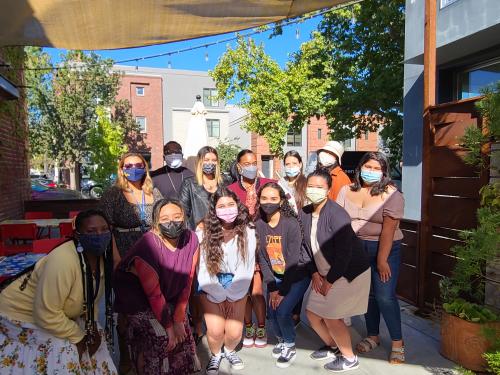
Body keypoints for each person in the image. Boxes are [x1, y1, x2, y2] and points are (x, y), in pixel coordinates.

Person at [0, 210, 117, 374]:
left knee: (97, 338)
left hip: (56, 312)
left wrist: (93, 327)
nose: (99, 235)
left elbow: (92, 299)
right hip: (19, 313)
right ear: (77, 235)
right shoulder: (62, 261)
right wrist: (79, 336)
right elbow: (46, 314)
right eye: (91, 231)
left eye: (104, 229)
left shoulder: (101, 259)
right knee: (64, 348)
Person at [113, 199, 200, 374]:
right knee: (162, 338)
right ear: (156, 222)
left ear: (184, 217)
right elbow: (153, 294)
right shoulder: (148, 245)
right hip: (137, 299)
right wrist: (169, 326)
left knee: (184, 335)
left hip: (169, 293)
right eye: (165, 218)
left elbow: (187, 281)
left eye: (177, 217)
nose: (172, 222)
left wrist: (178, 318)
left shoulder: (191, 238)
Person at [336, 152, 405, 364]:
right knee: (367, 295)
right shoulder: (346, 190)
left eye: (377, 168)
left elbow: (388, 230)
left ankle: (397, 343)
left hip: (385, 248)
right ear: (360, 168)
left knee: (384, 295)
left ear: (384, 172)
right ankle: (373, 335)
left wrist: (382, 260)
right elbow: (339, 223)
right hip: (356, 249)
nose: (371, 171)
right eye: (368, 166)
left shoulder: (392, 194)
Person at [300, 169, 371, 373]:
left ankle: (349, 359)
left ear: (329, 190)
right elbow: (304, 248)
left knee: (332, 316)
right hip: (323, 272)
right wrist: (314, 273)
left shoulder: (337, 214)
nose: (314, 190)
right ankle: (334, 346)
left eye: (319, 187)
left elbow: (344, 254)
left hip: (347, 272)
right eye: (310, 186)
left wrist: (329, 280)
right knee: (312, 313)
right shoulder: (304, 213)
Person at [100, 152, 162, 373]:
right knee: (127, 309)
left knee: (149, 306)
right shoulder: (113, 194)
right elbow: (105, 226)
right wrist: (116, 258)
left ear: (145, 167)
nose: (133, 168)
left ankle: (148, 352)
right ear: (121, 168)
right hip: (124, 254)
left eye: (138, 164)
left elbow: (162, 220)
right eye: (128, 165)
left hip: (151, 254)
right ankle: (126, 357)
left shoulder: (153, 191)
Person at [197, 188, 257, 374]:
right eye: (221, 206)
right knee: (215, 331)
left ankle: (229, 350)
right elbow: (203, 268)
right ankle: (215, 355)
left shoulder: (248, 230)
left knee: (234, 332)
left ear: (238, 206)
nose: (227, 209)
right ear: (214, 210)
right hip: (210, 284)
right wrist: (218, 293)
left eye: (231, 204)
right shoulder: (203, 232)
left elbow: (246, 267)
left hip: (238, 284)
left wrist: (231, 295)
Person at [255, 182, 310, 368]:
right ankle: (281, 339)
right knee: (272, 312)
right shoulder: (259, 225)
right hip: (276, 276)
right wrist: (272, 288)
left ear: (281, 201)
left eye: (273, 198)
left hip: (296, 275)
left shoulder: (291, 224)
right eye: (264, 198)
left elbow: (294, 261)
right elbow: (263, 258)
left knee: (284, 311)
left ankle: (290, 344)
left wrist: (282, 291)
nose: (268, 202)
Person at [179, 145, 228, 344]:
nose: (210, 164)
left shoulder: (225, 184)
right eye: (206, 160)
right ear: (200, 163)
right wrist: (197, 224)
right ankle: (198, 323)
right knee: (198, 285)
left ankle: (221, 322)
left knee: (221, 281)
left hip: (222, 240)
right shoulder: (190, 184)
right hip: (197, 240)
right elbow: (182, 213)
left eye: (213, 160)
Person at [228, 149, 273, 348]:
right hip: (240, 245)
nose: (251, 166)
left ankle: (261, 326)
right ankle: (248, 326)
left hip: (263, 245)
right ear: (238, 166)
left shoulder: (269, 185)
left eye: (254, 162)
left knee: (257, 291)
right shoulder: (230, 189)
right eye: (246, 164)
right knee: (243, 291)